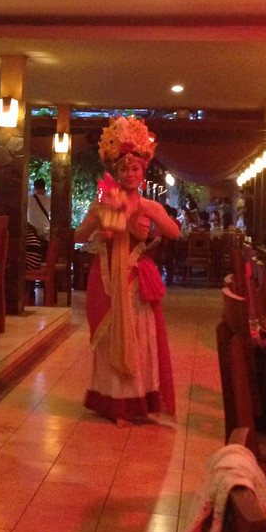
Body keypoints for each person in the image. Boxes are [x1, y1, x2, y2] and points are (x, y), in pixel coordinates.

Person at [74, 116, 179, 427]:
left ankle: (136, 403)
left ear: (143, 173)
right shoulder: (102, 206)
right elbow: (78, 236)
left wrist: (150, 217)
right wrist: (98, 220)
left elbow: (174, 232)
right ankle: (113, 404)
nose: (130, 173)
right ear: (115, 173)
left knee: (139, 339)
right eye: (124, 169)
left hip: (134, 279)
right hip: (106, 280)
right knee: (109, 339)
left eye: (135, 169)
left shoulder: (149, 205)